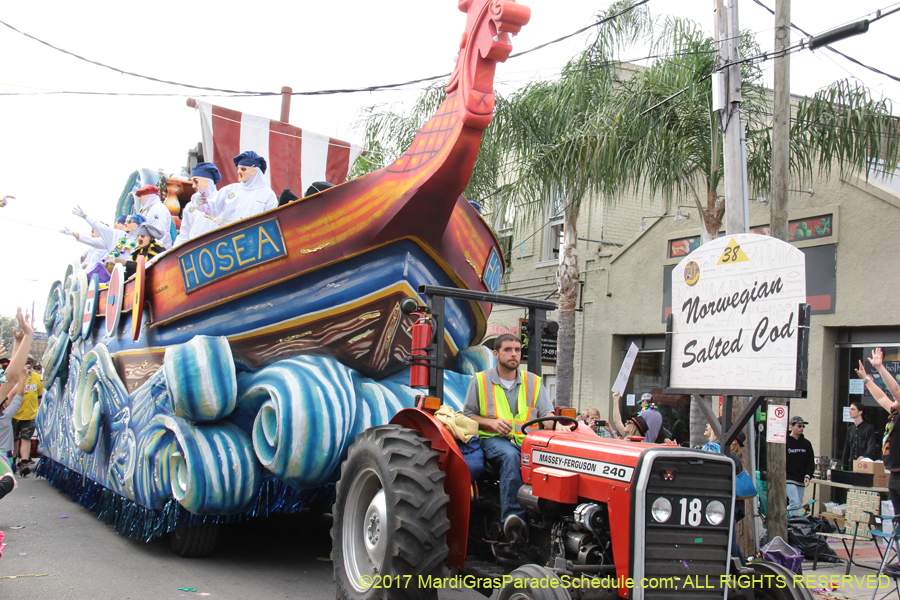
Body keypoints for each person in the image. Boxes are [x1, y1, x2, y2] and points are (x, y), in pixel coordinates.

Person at [463, 333, 562, 542]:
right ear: (496, 354)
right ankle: (513, 520)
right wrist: (491, 423)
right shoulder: (480, 381)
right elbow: (468, 415)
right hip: (493, 441)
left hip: (527, 441)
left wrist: (557, 425)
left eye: (517, 350)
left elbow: (547, 414)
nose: (514, 354)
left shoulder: (533, 382)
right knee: (511, 457)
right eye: (508, 350)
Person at [191, 151, 277, 227]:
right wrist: (198, 201)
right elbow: (212, 208)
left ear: (255, 170)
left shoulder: (268, 195)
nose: (239, 172)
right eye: (238, 169)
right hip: (229, 241)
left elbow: (271, 222)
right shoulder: (230, 190)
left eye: (243, 169)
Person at [173, 162, 222, 246]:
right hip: (195, 253)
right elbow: (184, 235)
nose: (193, 186)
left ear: (207, 181)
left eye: (196, 182)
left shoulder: (221, 201)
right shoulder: (190, 207)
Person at [11, 357, 42, 472]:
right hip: (14, 413)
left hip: (29, 413)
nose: (26, 365)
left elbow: (39, 396)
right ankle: (12, 460)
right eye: (24, 362)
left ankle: (24, 461)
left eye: (29, 363)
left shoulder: (37, 378)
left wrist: (36, 410)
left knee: (26, 438)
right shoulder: (13, 376)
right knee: (14, 438)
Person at [786, 416, 815, 516]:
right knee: (795, 502)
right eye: (799, 426)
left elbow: (810, 462)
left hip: (800, 479)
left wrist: (808, 475)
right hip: (788, 478)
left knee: (798, 504)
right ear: (791, 426)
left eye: (803, 426)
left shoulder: (806, 444)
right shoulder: (785, 442)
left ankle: (791, 522)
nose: (801, 428)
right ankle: (780, 516)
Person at [842, 401, 880, 468]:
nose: (850, 411)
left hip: (863, 464)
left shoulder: (868, 428)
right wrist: (844, 463)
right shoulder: (850, 429)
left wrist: (865, 457)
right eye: (850, 409)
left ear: (860, 412)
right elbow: (847, 447)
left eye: (853, 409)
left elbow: (871, 446)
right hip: (852, 463)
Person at [134, 184, 174, 249]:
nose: (139, 199)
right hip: (146, 248)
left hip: (158, 250)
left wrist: (156, 250)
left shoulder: (159, 208)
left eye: (140, 196)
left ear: (147, 196)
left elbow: (159, 232)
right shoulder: (146, 209)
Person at [0, 375, 26, 474]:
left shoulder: (6, 415)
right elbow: (19, 394)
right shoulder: (6, 416)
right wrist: (22, 376)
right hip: (5, 456)